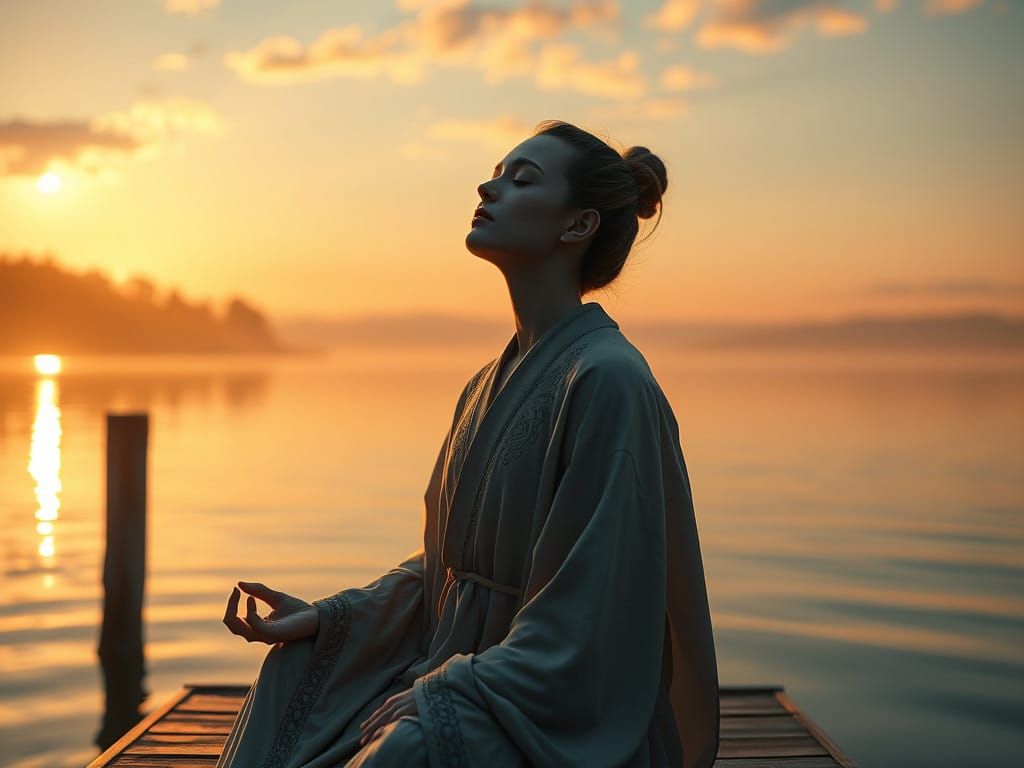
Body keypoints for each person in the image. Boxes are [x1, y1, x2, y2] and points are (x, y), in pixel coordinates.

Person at [215, 119, 720, 768]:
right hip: (458, 668)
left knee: (411, 750)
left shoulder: (609, 380)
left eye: (522, 179)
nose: (488, 185)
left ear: (577, 225)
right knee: (294, 671)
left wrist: (456, 690)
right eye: (497, 172)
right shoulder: (487, 382)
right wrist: (331, 618)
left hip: (550, 705)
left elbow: (594, 611)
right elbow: (451, 572)